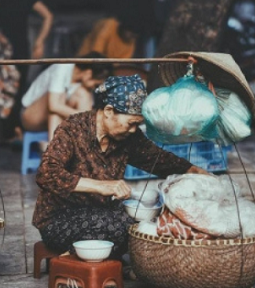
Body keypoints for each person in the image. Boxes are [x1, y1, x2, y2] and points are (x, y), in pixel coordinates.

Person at [31, 74, 209, 261]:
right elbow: (47, 173)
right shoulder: (72, 129)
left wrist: (193, 171)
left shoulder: (129, 138)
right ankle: (69, 264)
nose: (134, 130)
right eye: (131, 123)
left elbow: (159, 159)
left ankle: (87, 260)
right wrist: (103, 186)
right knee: (119, 227)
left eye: (138, 125)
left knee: (143, 226)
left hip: (100, 213)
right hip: (58, 219)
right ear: (108, 111)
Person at [0, 0, 53, 144]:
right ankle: (9, 132)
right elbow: (48, 15)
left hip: (11, 48)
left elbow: (48, 16)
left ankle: (11, 132)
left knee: (6, 90)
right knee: (6, 90)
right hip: (7, 49)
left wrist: (40, 42)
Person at [20, 52, 113, 141]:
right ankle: (54, 152)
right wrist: (86, 117)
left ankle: (82, 149)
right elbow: (54, 106)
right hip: (30, 116)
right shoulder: (62, 68)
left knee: (83, 94)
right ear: (89, 73)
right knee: (57, 106)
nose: (94, 88)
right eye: (96, 85)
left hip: (52, 122)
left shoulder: (81, 86)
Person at [76, 15, 142, 59]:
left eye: (134, 36)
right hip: (87, 60)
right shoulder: (110, 25)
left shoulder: (131, 42)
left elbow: (122, 64)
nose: (131, 37)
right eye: (131, 33)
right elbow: (96, 52)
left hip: (106, 70)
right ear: (123, 28)